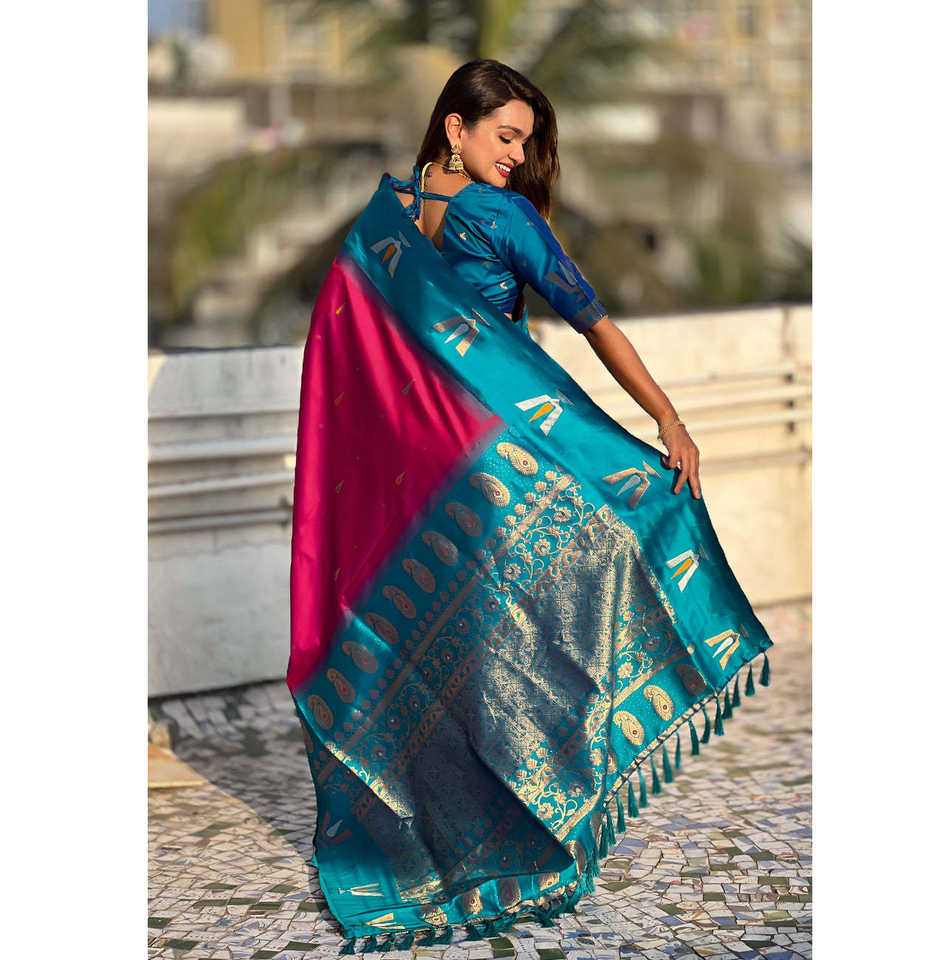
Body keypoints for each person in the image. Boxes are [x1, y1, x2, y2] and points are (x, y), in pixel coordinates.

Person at [288, 60, 772, 951]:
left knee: (455, 653)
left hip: (417, 486)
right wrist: (667, 419)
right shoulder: (500, 215)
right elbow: (593, 320)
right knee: (626, 539)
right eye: (505, 136)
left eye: (526, 142)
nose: (517, 156)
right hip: (496, 466)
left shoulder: (382, 220)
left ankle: (428, 845)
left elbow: (342, 352)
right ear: (456, 128)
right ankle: (535, 814)